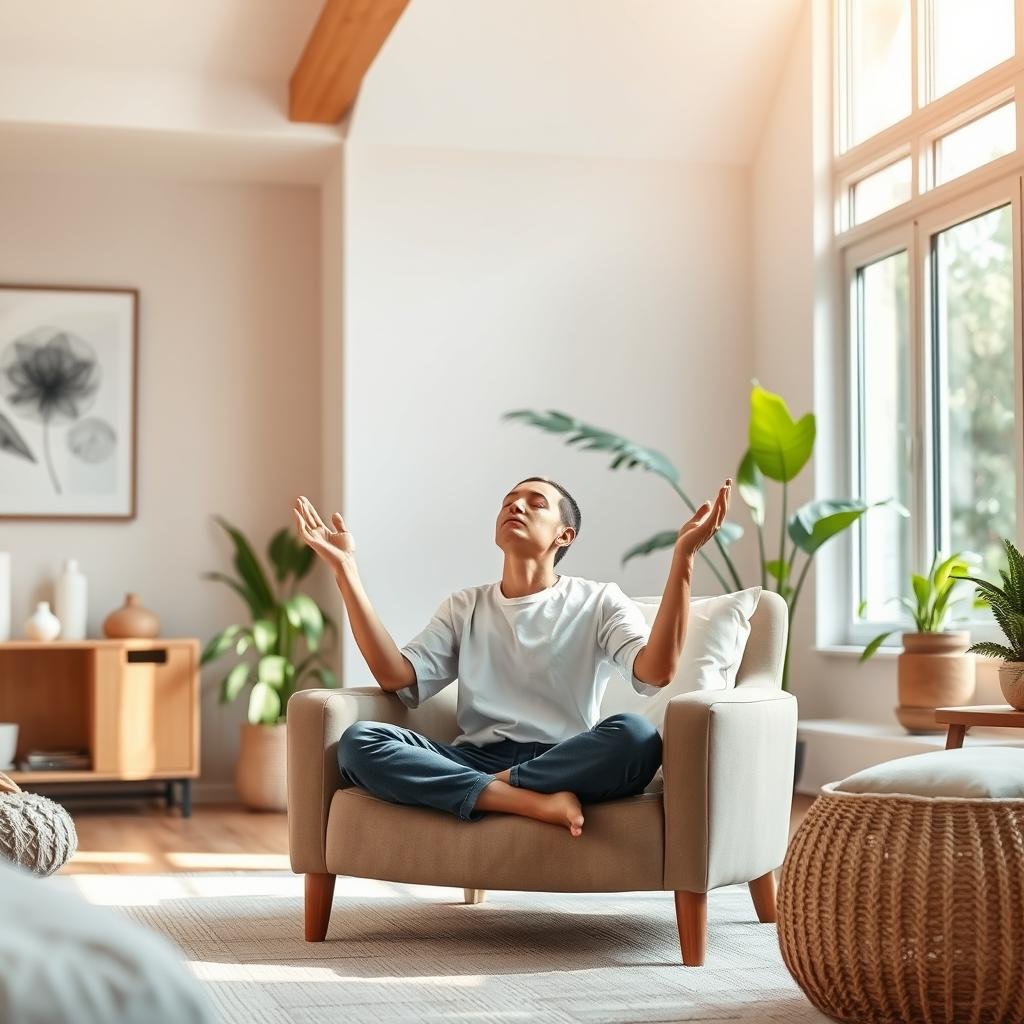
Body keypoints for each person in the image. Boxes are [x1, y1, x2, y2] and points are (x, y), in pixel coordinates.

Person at [291, 474, 731, 838]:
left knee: (637, 735)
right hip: (476, 756)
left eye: (535, 503)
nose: (515, 507)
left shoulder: (598, 600)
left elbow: (656, 672)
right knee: (359, 742)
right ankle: (530, 803)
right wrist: (345, 571)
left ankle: (491, 793)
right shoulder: (464, 607)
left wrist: (684, 557)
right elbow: (396, 677)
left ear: (565, 535)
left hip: (565, 759)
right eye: (508, 501)